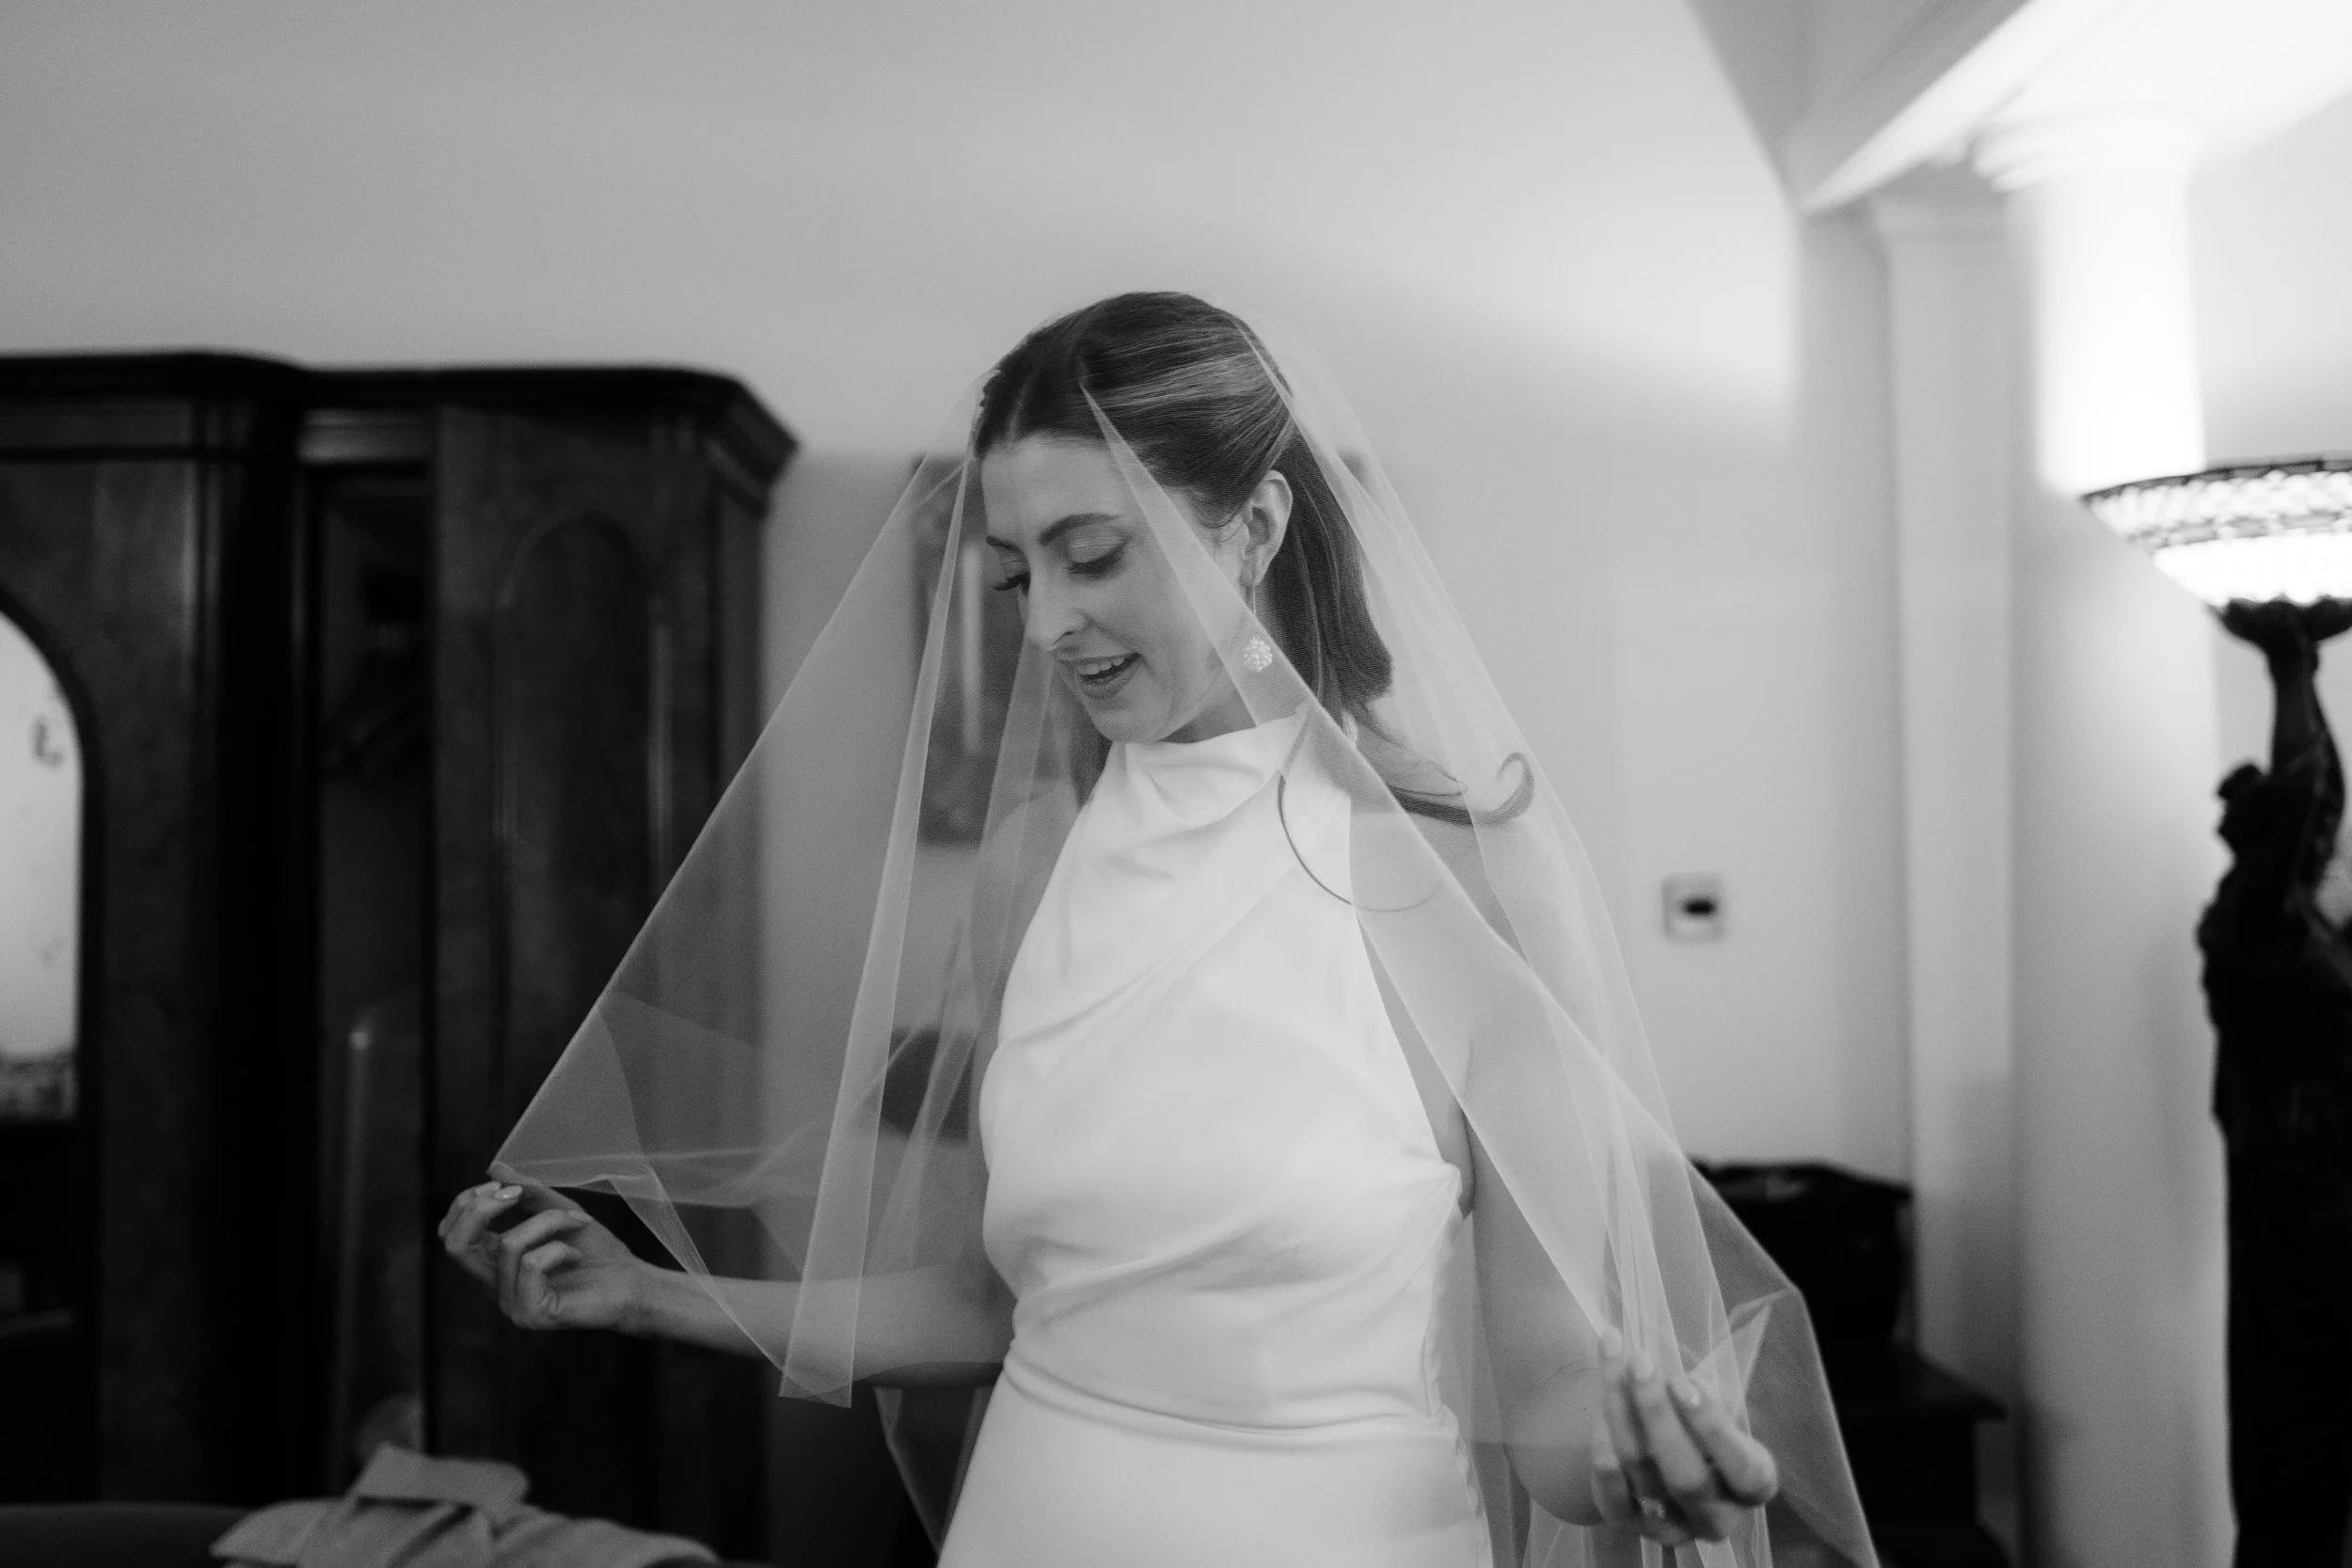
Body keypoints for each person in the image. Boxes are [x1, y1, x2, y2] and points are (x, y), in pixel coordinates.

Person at [441, 293, 1873, 1566]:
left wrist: (1635, 1470)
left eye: (1094, 553)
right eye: (1018, 573)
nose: (1048, 623)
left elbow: (1552, 1385)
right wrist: (647, 1295)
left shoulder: (1465, 885)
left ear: (1254, 527)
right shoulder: (1032, 864)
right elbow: (985, 1303)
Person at [2202, 597, 2352, 1567]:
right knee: (2298, 1472)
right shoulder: (2261, 941)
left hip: (2321, 1239)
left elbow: (2312, 803)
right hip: (2306, 1256)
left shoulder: (2295, 940)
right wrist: (2291, 671)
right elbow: (2309, 800)